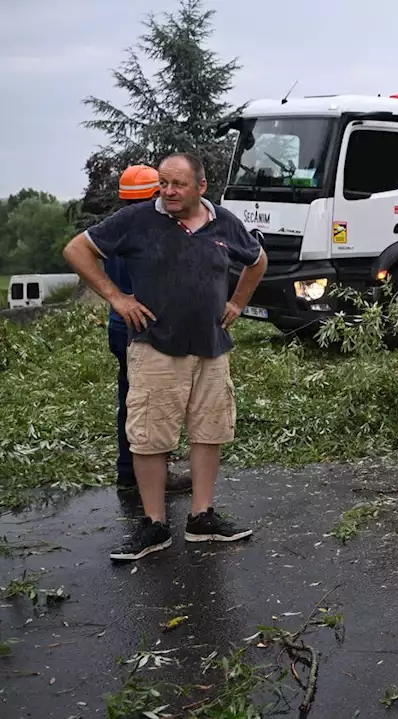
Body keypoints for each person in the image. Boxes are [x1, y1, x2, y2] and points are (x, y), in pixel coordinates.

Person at [63, 152, 268, 562]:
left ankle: (202, 517)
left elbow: (258, 260)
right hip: (155, 347)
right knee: (149, 438)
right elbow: (77, 250)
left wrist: (238, 303)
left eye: (178, 184)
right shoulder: (137, 220)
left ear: (201, 187)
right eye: (164, 183)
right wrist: (118, 298)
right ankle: (155, 525)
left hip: (211, 348)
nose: (168, 191)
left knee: (210, 432)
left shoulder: (224, 222)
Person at [108, 165, 193, 495]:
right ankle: (153, 479)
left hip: (119, 326)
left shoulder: (115, 228)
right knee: (155, 404)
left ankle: (128, 472)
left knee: (130, 399)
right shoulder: (153, 232)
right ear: (153, 195)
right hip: (147, 329)